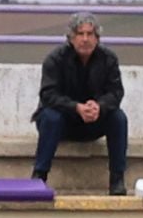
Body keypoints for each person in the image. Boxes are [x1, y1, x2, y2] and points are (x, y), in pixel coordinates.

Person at [30, 11, 128, 194]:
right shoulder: (55, 59)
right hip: (62, 122)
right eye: (80, 34)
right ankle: (39, 177)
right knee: (51, 117)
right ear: (71, 38)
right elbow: (48, 95)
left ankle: (117, 180)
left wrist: (100, 107)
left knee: (118, 118)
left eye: (90, 34)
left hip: (93, 121)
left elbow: (116, 92)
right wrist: (76, 108)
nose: (85, 39)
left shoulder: (109, 59)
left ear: (97, 38)